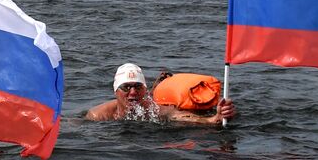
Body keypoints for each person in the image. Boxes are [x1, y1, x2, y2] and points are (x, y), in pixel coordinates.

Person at [83, 62, 236, 125]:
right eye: (126, 87)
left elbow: (177, 115)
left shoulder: (153, 109)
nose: (133, 92)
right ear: (116, 91)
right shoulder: (99, 115)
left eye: (137, 87)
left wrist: (213, 119)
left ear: (144, 89)